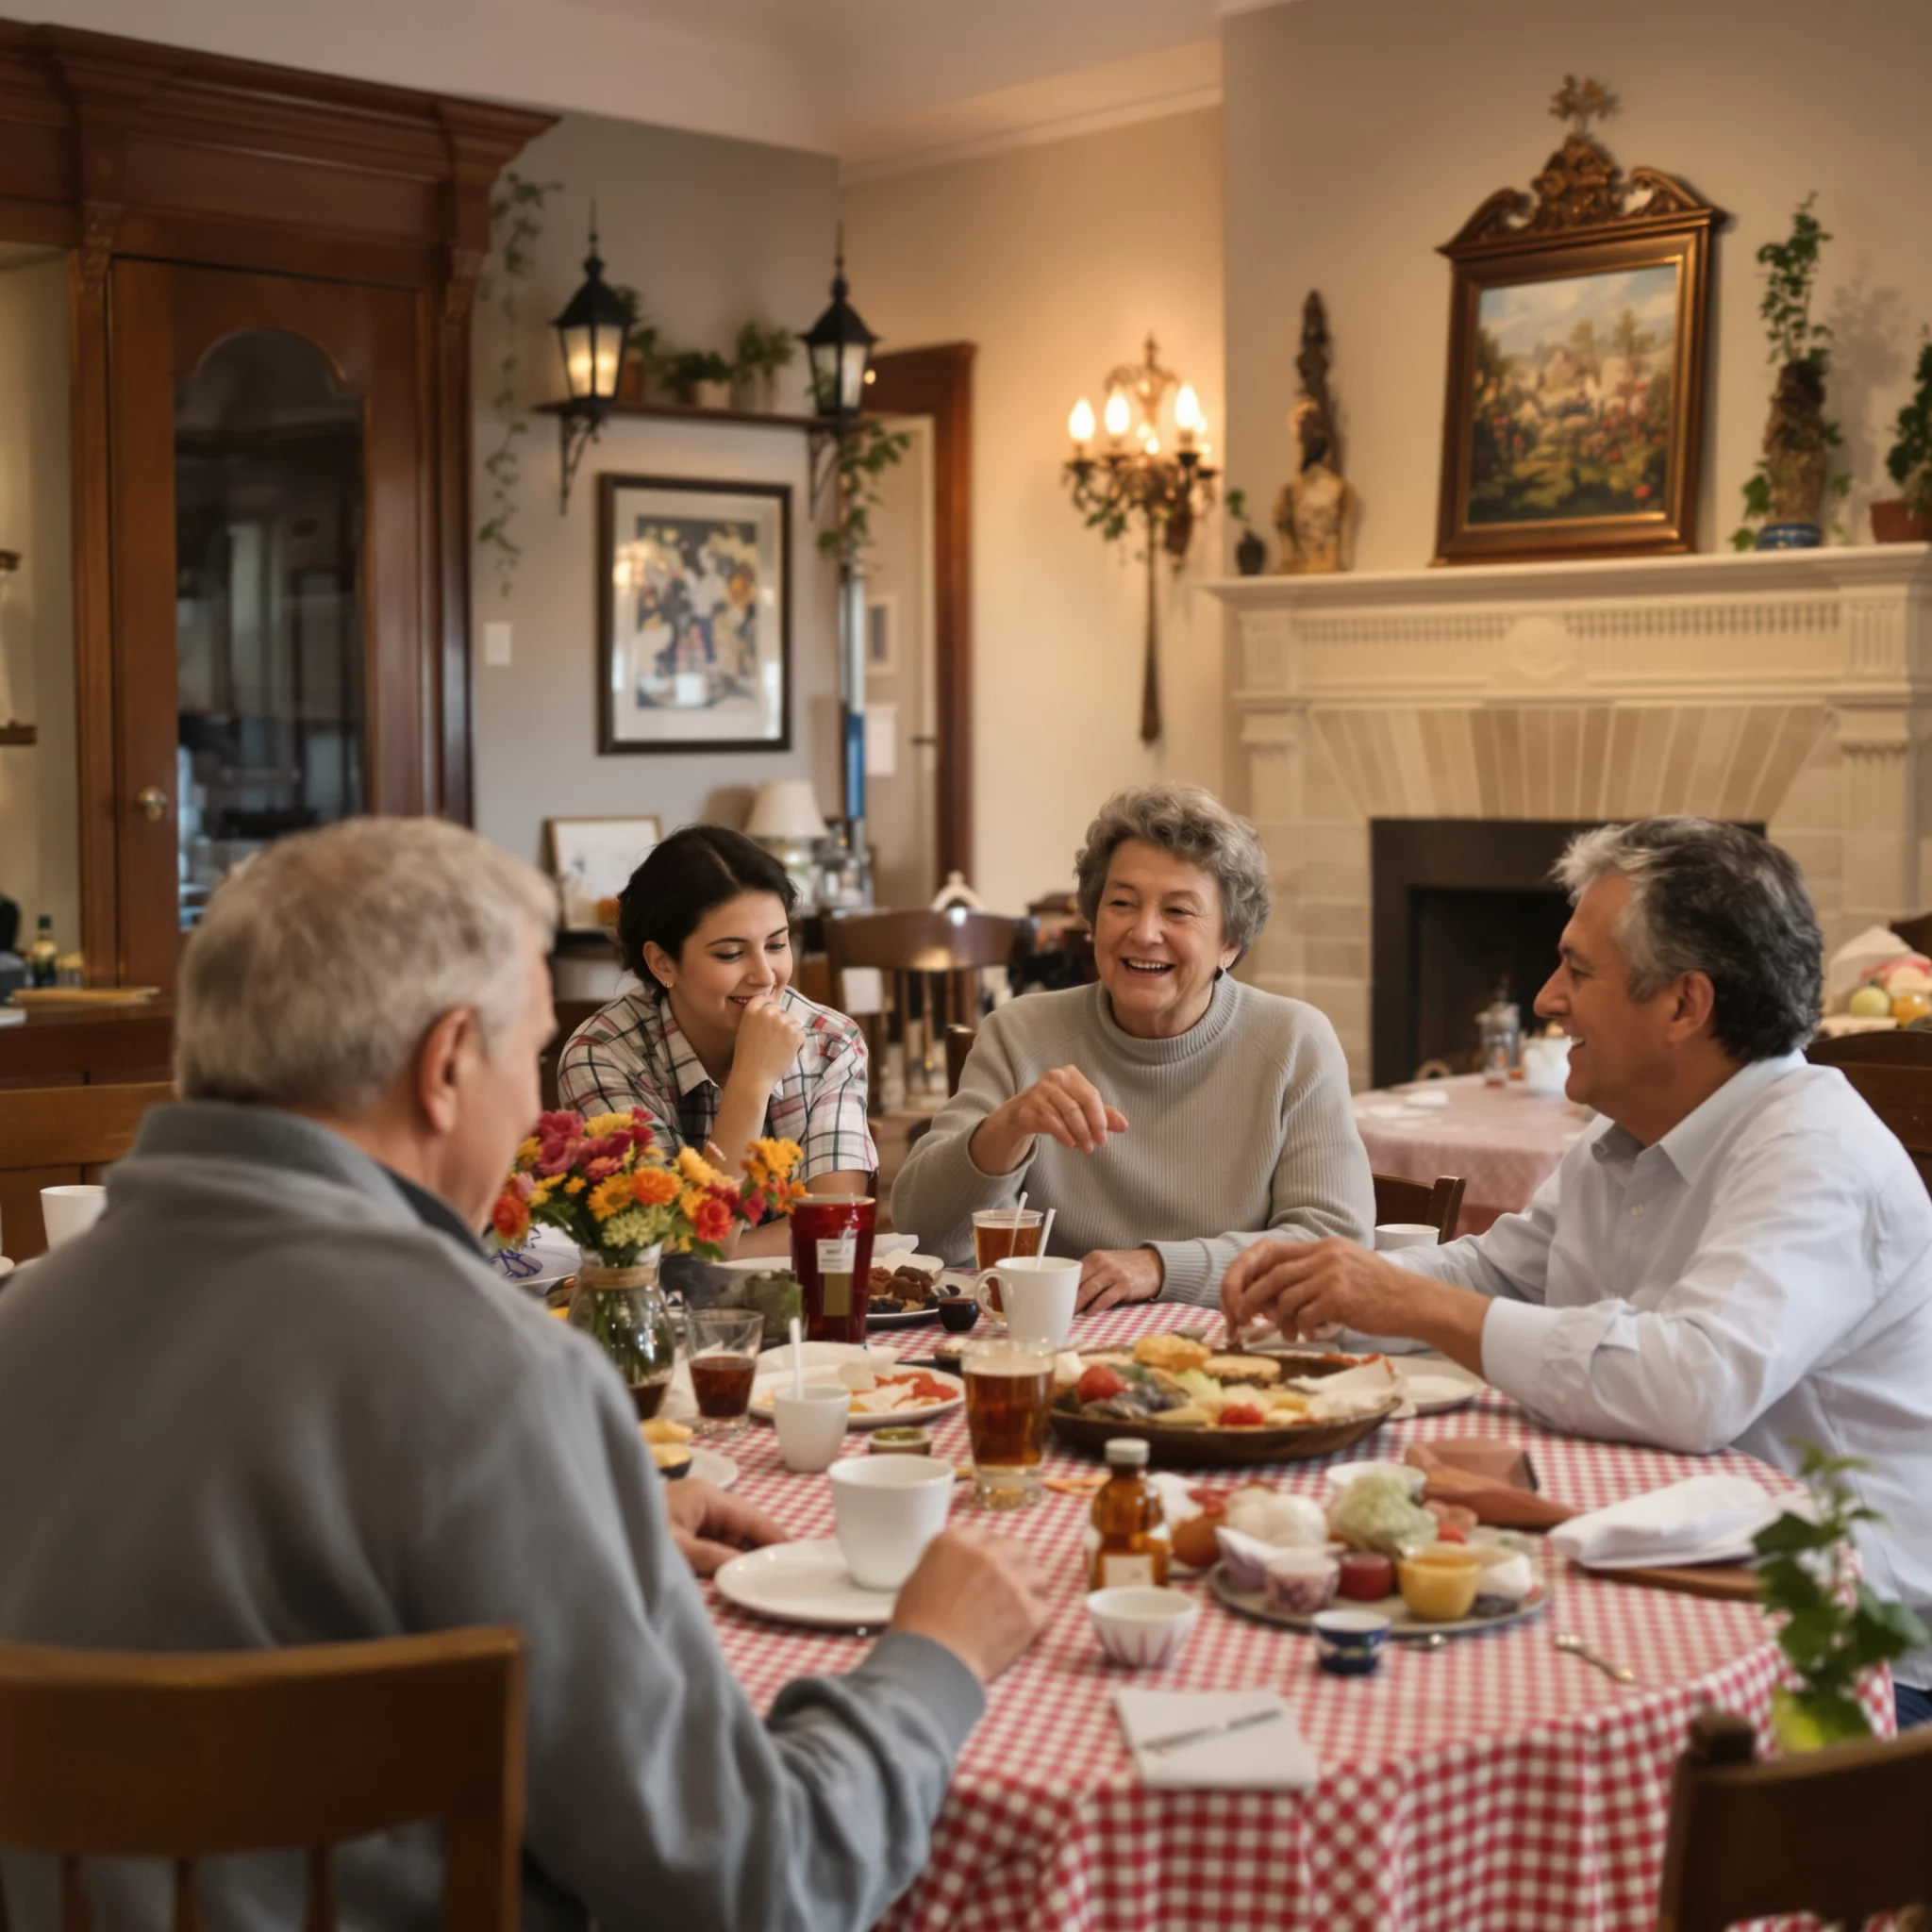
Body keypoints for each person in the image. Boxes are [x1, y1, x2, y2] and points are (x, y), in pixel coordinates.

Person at [0, 818, 1049, 1928]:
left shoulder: (24, 1322)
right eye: (526, 1049)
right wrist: (932, 1656)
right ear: (447, 1063)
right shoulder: (495, 1377)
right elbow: (748, 1883)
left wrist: (578, 1500)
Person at [1221, 817, 1932, 1727]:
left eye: (1578, 971)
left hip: (1841, 1652)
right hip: (1673, 1564)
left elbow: (1692, 1383)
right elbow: (1499, 1272)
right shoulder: (1628, 1131)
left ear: (1683, 1006)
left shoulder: (1814, 1153)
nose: (1548, 998)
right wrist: (1333, 1283)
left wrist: (1403, 1297)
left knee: (1404, 1702)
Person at [892, 783, 1373, 1310]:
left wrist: (1160, 1267)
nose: (1144, 933)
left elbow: (1335, 1243)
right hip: (1052, 1346)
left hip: (1230, 1360)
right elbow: (923, 1236)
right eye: (1122, 903)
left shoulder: (1294, 1042)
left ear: (1230, 944)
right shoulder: (1019, 1033)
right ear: (1093, 921)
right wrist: (1005, 1130)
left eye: (1179, 911)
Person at [558, 824, 876, 1257]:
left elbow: (839, 1230)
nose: (765, 976)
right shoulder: (601, 1058)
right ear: (662, 963)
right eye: (730, 953)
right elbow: (661, 1249)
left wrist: (714, 1249)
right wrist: (751, 1082)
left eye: (777, 944)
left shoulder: (830, 1042)